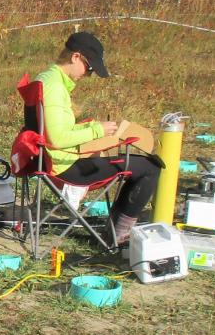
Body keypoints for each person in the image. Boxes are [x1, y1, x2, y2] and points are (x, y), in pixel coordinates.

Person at [34, 31, 162, 244]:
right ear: (75, 57)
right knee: (150, 168)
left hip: (55, 159)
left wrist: (94, 127)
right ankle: (118, 234)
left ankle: (113, 229)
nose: (88, 74)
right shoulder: (54, 88)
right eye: (89, 68)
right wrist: (97, 132)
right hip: (66, 167)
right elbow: (57, 139)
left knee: (129, 159)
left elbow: (55, 131)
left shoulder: (46, 77)